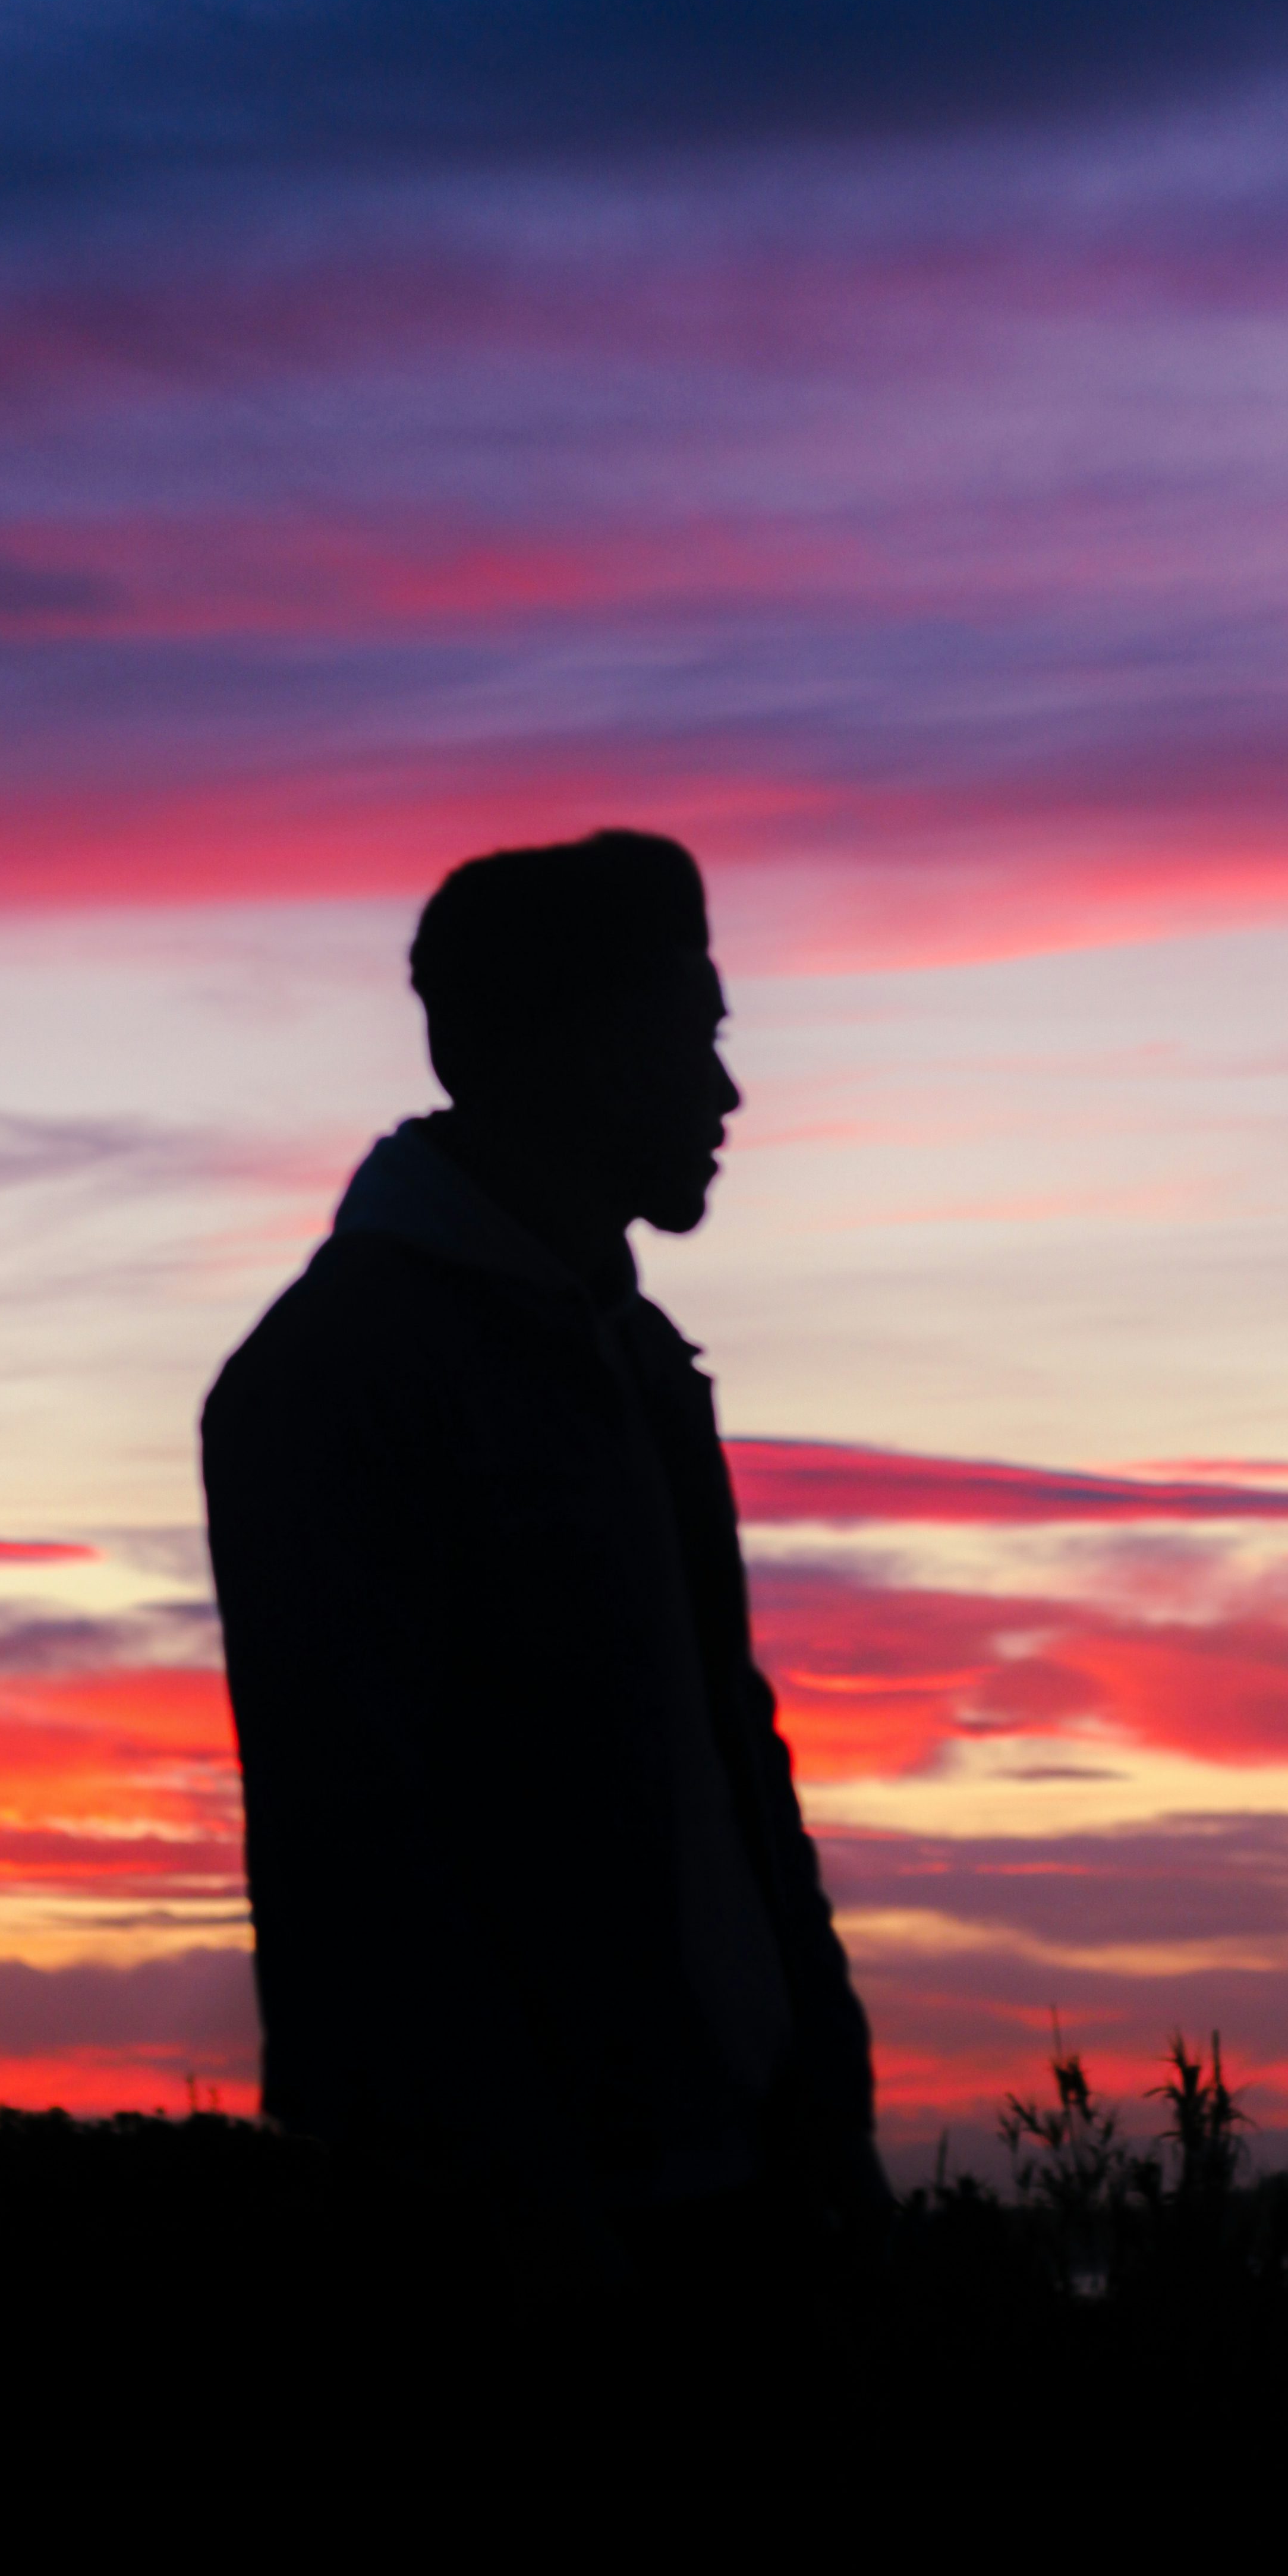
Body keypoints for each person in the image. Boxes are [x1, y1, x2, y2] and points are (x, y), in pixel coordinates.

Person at [201, 828, 887, 2299]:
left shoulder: (629, 1351)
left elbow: (731, 1743)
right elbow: (351, 1845)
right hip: (527, 2242)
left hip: (736, 2182)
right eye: (687, 1038)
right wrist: (517, 2207)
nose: (725, 1091)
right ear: (569, 1052)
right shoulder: (338, 1377)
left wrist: (825, 2078)